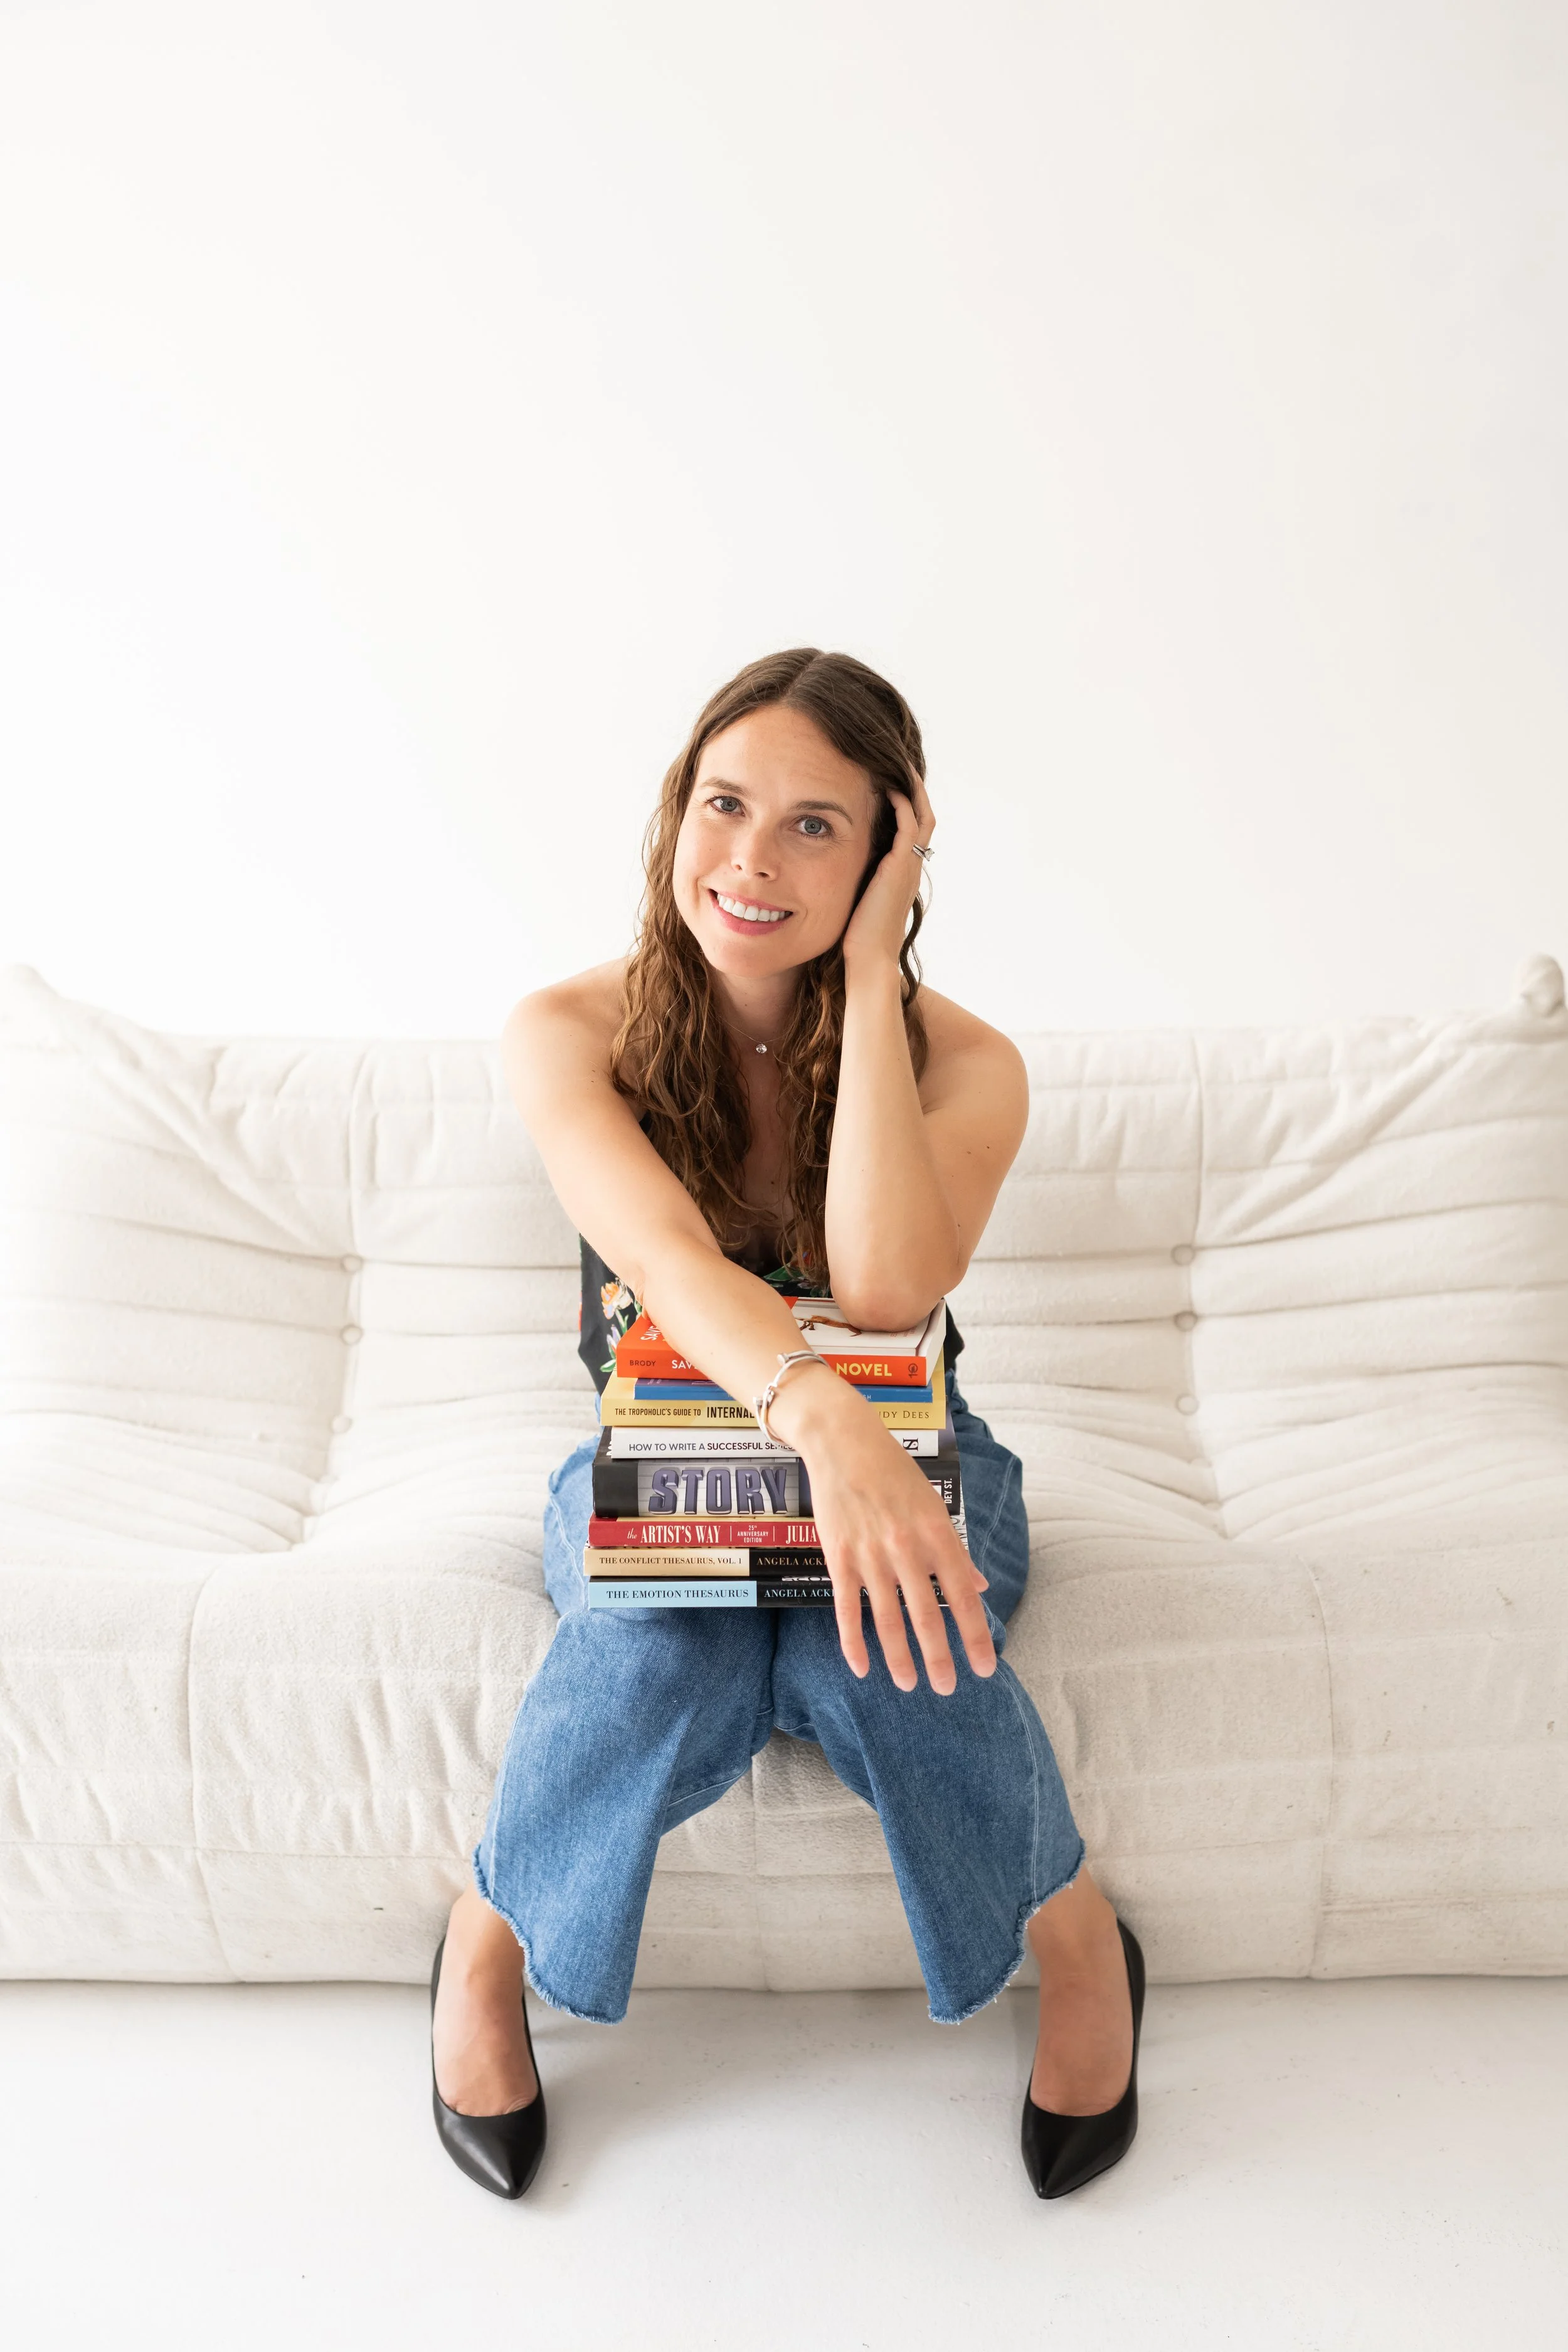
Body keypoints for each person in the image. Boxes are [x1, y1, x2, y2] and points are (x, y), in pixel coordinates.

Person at [428, 648, 1143, 2201]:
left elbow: (887, 1284)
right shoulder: (568, 1029)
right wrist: (820, 1429)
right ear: (674, 809)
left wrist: (873, 980)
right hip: (665, 1451)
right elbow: (675, 1267)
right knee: (659, 1646)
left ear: (890, 854)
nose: (751, 860)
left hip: (908, 1450)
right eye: (725, 803)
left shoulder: (969, 1061)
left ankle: (1073, 1936)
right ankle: (490, 1942)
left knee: (877, 1651)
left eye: (818, 828)